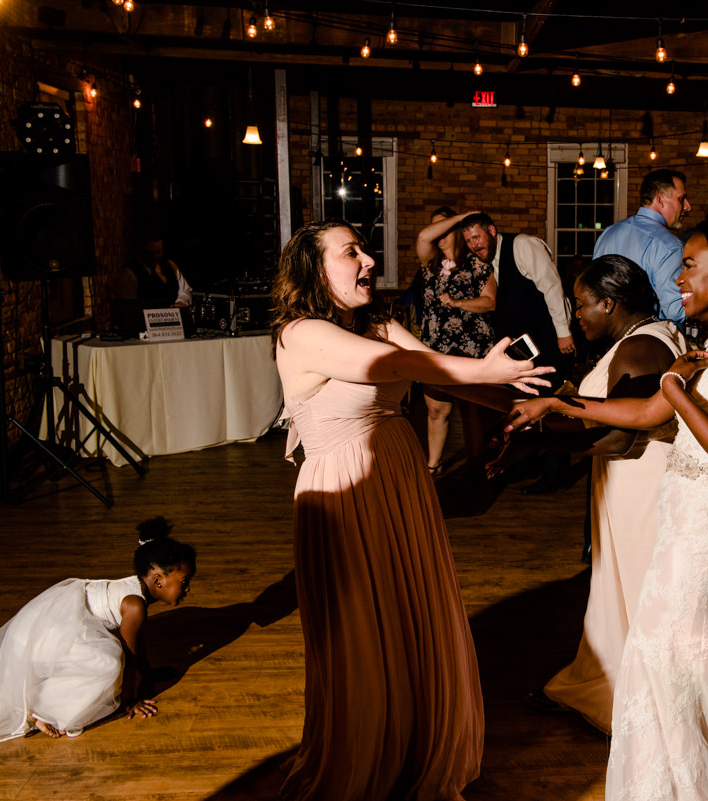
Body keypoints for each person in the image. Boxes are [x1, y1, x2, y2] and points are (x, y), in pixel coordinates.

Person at [504, 216, 708, 800]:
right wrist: (561, 404)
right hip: (687, 531)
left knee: (682, 676)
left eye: (689, 263)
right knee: (679, 675)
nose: (677, 276)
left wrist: (678, 393)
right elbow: (648, 414)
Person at [271, 219, 550, 801]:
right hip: (346, 490)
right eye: (351, 252)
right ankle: (366, 756)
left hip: (399, 481)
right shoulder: (300, 333)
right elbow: (396, 369)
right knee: (363, 631)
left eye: (365, 249)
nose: (368, 260)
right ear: (314, 270)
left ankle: (416, 744)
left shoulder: (375, 321)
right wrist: (483, 369)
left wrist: (533, 401)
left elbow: (434, 366)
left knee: (409, 615)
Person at [493, 255, 685, 733]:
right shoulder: (647, 336)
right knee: (618, 592)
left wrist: (535, 442)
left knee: (637, 592)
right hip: (629, 481)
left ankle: (642, 705)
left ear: (609, 302)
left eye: (581, 305)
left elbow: (620, 435)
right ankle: (605, 687)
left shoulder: (640, 348)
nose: (575, 314)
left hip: (640, 483)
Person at [0, 517, 196, 750]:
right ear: (158, 580)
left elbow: (137, 640)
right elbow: (130, 654)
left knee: (105, 658)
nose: (187, 588)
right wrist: (129, 701)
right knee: (108, 664)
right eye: (184, 582)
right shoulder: (135, 604)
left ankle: (35, 701)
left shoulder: (135, 590)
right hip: (53, 630)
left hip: (51, 619)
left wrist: (149, 673)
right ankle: (39, 711)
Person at [414, 207, 497, 477]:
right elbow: (425, 236)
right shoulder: (429, 264)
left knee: (472, 412)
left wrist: (459, 303)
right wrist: (460, 218)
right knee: (436, 409)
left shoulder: (477, 264)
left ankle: (477, 468)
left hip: (471, 349)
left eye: (444, 228)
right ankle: (433, 465)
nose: (438, 234)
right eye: (437, 227)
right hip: (436, 350)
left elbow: (489, 302)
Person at [460, 212, 574, 373]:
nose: (474, 245)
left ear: (491, 231)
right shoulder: (483, 263)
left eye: (477, 237)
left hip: (546, 340)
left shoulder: (522, 245)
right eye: (469, 241)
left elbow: (552, 287)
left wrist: (563, 333)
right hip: (518, 349)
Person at [593, 169, 692, 324]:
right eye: (682, 199)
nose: (687, 206)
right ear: (660, 200)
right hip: (647, 341)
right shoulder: (669, 246)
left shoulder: (608, 233)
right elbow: (675, 311)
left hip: (606, 338)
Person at [115, 235, 193, 308]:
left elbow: (185, 291)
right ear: (142, 250)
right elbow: (128, 307)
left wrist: (180, 302)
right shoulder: (129, 273)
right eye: (150, 253)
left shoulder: (170, 265)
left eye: (158, 252)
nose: (155, 257)